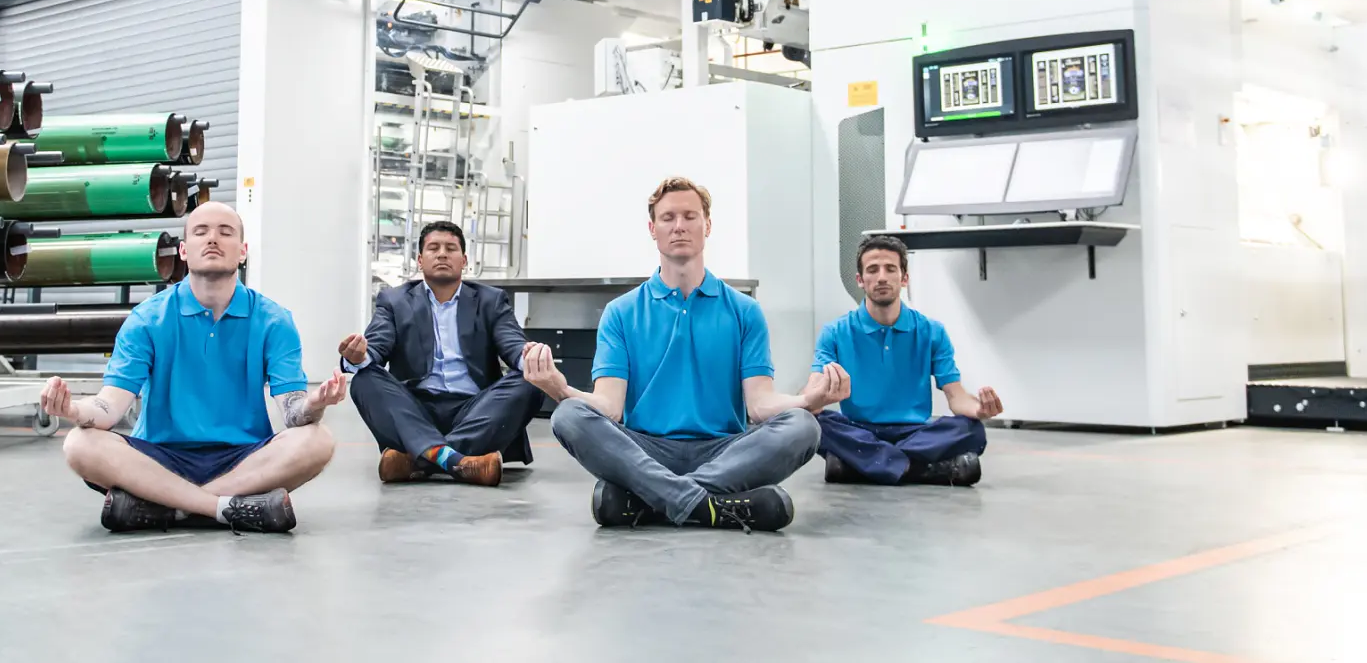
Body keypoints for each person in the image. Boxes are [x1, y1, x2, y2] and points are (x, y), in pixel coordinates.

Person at [523, 177, 844, 532]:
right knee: (568, 415)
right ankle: (715, 506)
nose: (679, 226)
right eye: (668, 217)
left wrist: (810, 399)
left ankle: (649, 502)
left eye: (690, 216)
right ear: (652, 228)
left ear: (707, 226)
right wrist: (559, 389)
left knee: (803, 426)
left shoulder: (744, 311)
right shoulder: (621, 312)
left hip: (724, 451)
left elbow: (760, 405)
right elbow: (609, 407)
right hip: (644, 451)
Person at [38, 201, 347, 532]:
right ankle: (222, 508)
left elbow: (293, 413)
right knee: (79, 444)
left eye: (225, 232)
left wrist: (313, 404)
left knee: (318, 440)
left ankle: (169, 507)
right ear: (184, 250)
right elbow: (109, 406)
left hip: (244, 459)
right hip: (160, 457)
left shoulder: (274, 320)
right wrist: (72, 409)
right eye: (201, 231)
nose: (212, 239)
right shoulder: (147, 319)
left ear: (242, 251)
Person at [338, 220, 543, 486]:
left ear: (464, 260)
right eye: (434, 248)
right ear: (420, 261)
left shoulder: (491, 300)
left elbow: (512, 342)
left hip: (474, 409)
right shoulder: (395, 300)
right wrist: (358, 357)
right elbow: (376, 346)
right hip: (415, 408)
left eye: (451, 248)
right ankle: (460, 462)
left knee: (531, 380)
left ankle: (419, 459)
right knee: (365, 378)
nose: (443, 254)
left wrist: (528, 357)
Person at [810, 234, 1001, 487]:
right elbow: (811, 392)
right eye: (872, 270)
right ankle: (922, 470)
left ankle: (861, 466)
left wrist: (978, 410)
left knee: (972, 430)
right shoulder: (835, 332)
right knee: (812, 424)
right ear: (860, 280)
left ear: (904, 278)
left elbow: (956, 396)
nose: (881, 277)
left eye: (890, 269)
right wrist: (813, 399)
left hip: (915, 432)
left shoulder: (932, 331)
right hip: (859, 430)